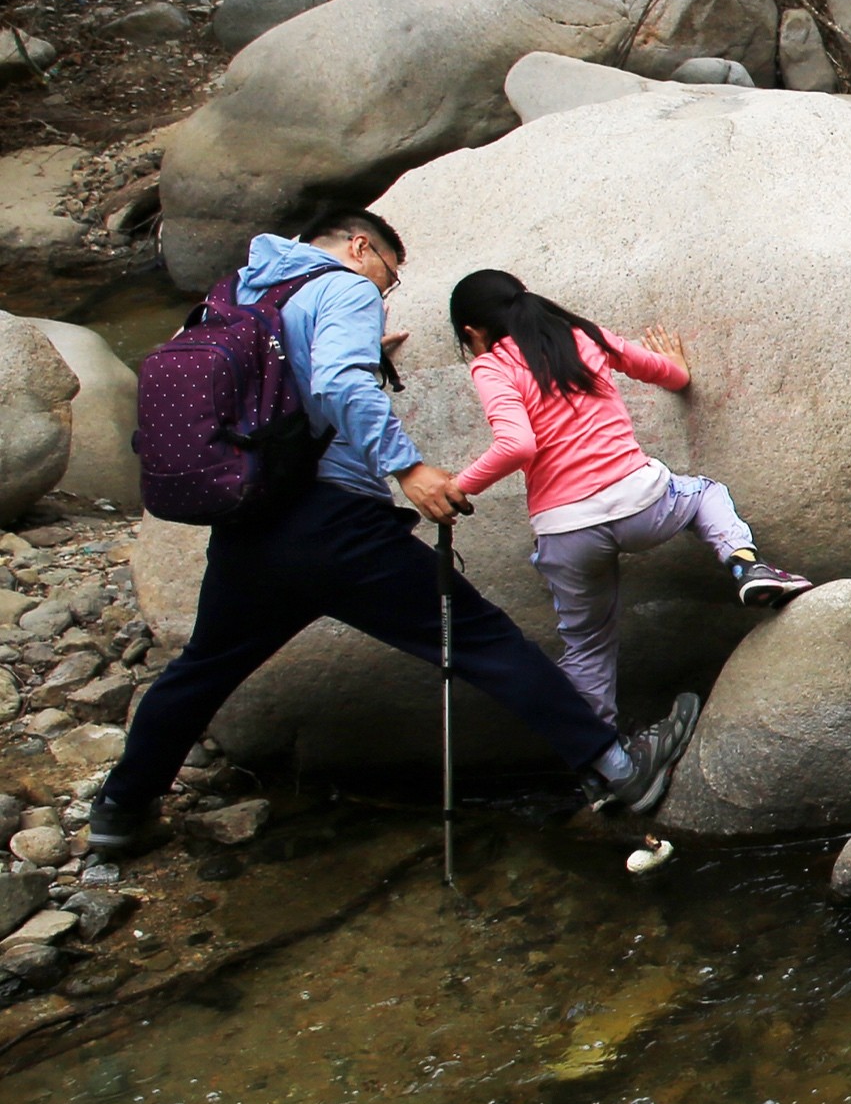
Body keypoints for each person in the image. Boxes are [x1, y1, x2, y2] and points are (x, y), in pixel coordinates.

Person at [85, 213, 696, 857]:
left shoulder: (236, 291)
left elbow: (274, 392)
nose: (382, 293)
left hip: (253, 525)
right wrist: (407, 467)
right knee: (482, 640)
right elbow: (338, 383)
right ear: (359, 247)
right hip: (337, 522)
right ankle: (618, 767)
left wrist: (368, 358)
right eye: (388, 276)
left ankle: (119, 810)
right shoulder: (343, 285)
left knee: (201, 670)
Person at [444, 269, 812, 728]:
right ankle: (743, 563)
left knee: (587, 647)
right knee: (704, 496)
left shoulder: (492, 365)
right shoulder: (579, 335)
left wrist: (458, 487)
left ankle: (604, 760)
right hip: (642, 503)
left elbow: (517, 444)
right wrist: (676, 365)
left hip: (566, 530)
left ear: (472, 332)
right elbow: (671, 376)